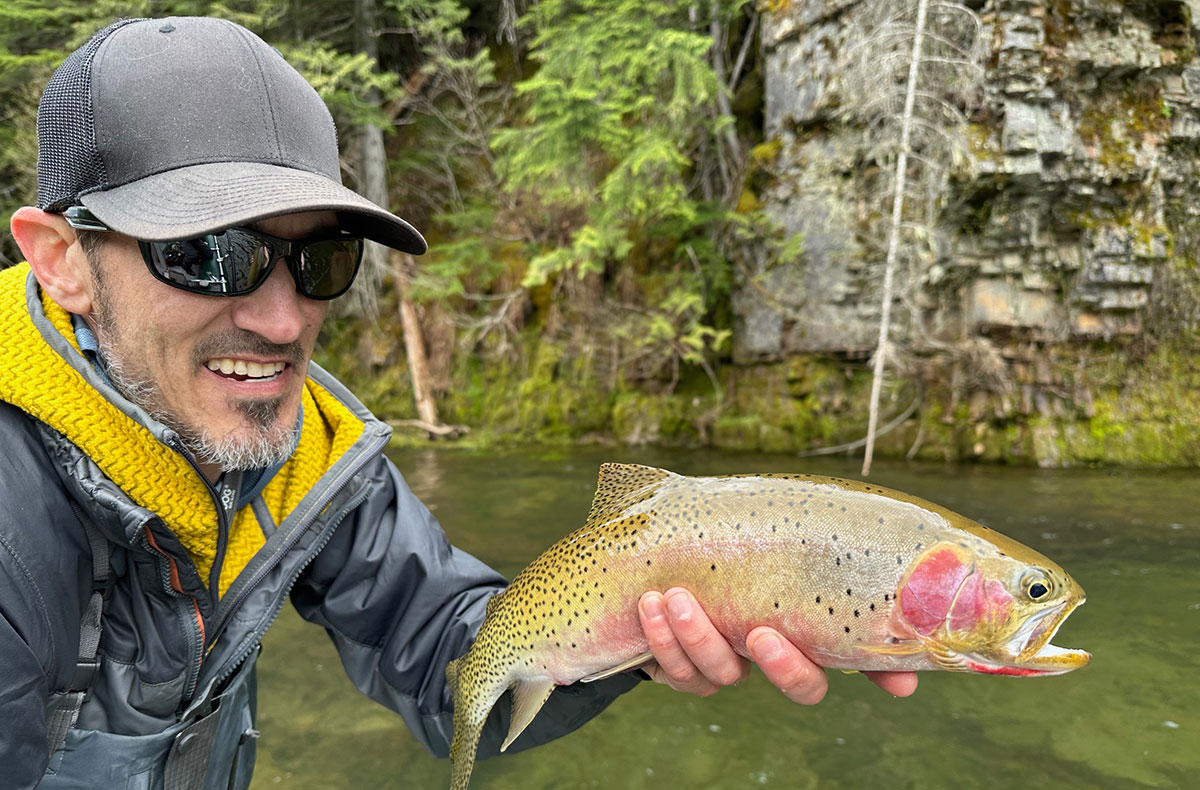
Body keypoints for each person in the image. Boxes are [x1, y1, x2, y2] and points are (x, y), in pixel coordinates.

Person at [0, 16, 916, 790]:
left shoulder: (306, 449)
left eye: (322, 260)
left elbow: (445, 654)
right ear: (60, 260)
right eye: (209, 255)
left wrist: (647, 616)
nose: (284, 320)